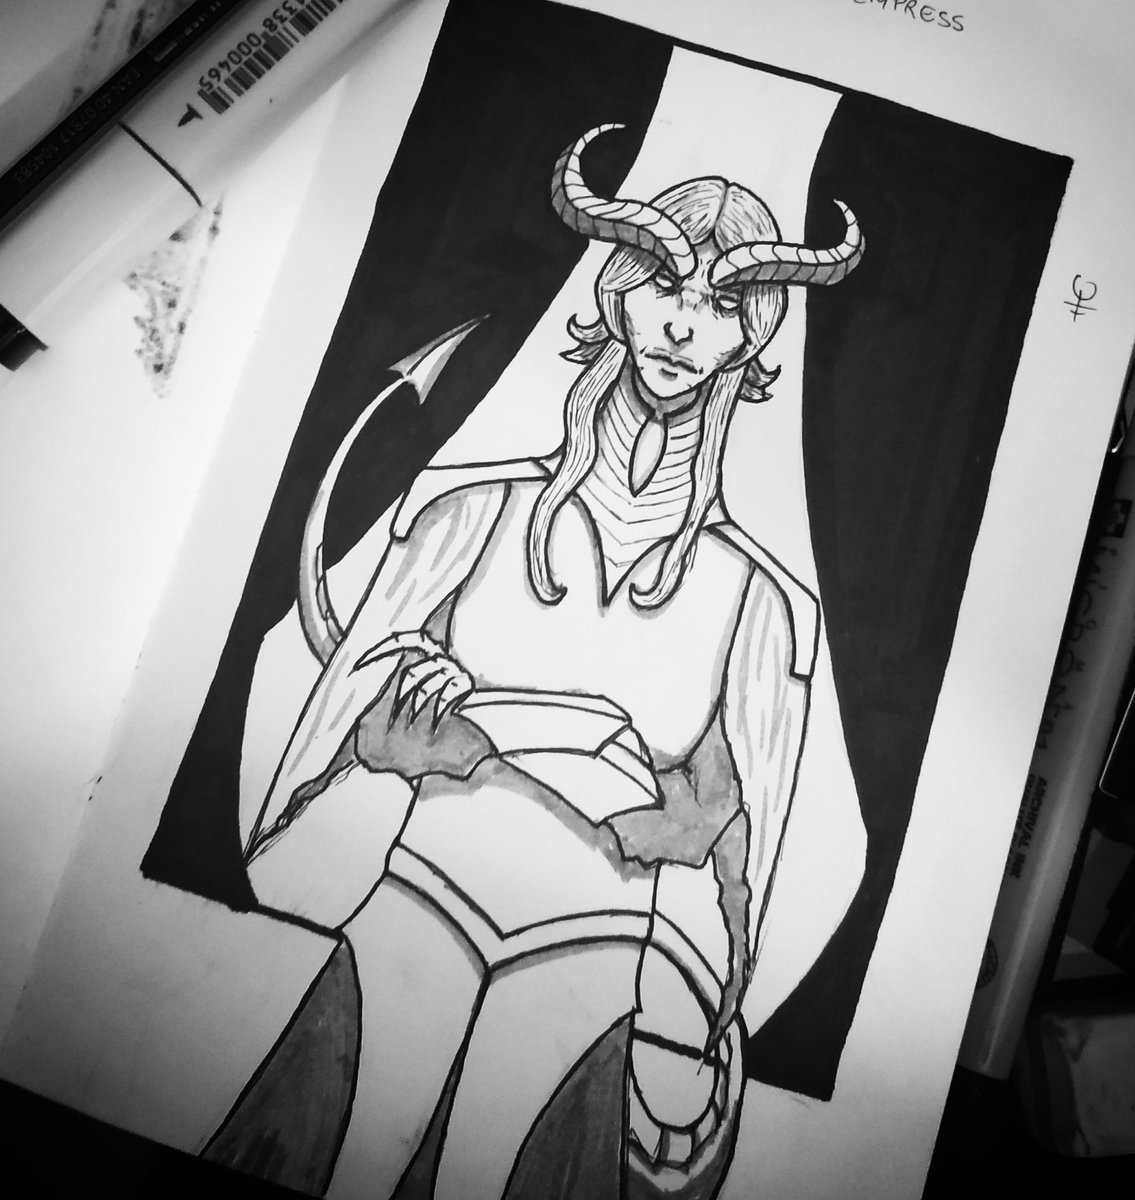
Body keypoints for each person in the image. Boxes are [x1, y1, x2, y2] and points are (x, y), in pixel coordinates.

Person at [212, 124, 866, 1200]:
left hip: (594, 961)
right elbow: (319, 759)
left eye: (721, 305)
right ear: (620, 296)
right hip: (412, 907)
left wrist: (670, 833)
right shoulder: (468, 512)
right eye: (664, 287)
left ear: (749, 340)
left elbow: (740, 869)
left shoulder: (760, 603)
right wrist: (389, 744)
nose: (683, 324)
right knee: (345, 1159)